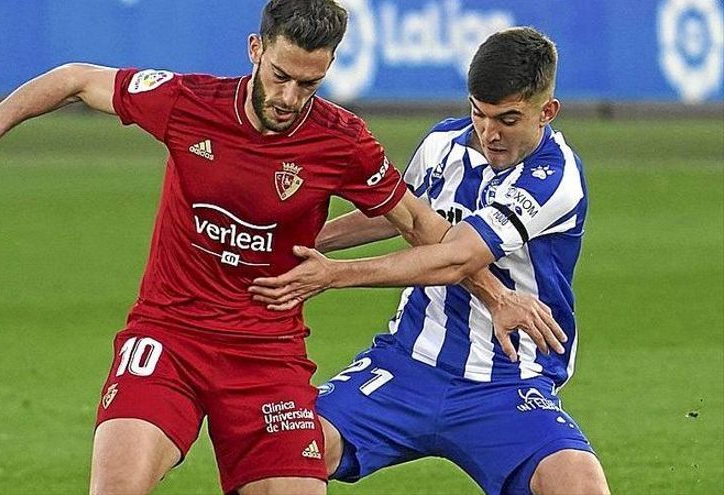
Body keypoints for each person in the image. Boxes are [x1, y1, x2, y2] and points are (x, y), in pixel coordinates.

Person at [0, 1, 560, 492]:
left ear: (328, 69)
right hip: (169, 338)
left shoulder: (343, 141)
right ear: (256, 49)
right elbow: (74, 78)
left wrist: (496, 294)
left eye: (308, 84)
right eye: (280, 76)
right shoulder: (186, 103)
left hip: (267, 358)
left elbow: (421, 225)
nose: (289, 98)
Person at [250, 27, 611, 494]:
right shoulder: (444, 143)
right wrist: (294, 241)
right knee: (284, 454)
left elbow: (455, 258)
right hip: (407, 366)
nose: (489, 133)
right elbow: (397, 214)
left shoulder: (554, 177)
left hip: (504, 384)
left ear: (548, 111)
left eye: (508, 119)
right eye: (479, 114)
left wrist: (333, 275)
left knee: (579, 485)